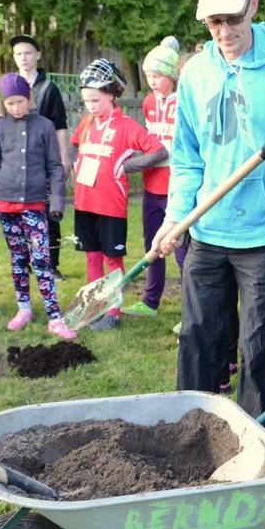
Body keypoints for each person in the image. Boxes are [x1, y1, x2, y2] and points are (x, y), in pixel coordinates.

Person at [153, 0, 265, 414]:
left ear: (252, 6)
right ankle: (189, 426)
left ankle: (254, 443)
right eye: (214, 22)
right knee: (196, 337)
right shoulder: (196, 73)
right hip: (208, 229)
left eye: (232, 19)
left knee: (259, 345)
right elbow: (188, 154)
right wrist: (176, 216)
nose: (224, 31)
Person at [73, 58, 167, 331]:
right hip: (83, 203)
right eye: (87, 101)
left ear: (112, 94)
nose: (90, 106)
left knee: (111, 259)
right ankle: (95, 307)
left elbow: (159, 151)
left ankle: (113, 309)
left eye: (96, 100)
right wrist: (74, 162)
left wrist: (127, 166)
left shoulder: (127, 125)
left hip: (110, 206)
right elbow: (74, 143)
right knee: (91, 257)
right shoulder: (87, 122)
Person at [0, 73, 75, 339]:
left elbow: (56, 167)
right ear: (3, 103)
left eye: (20, 101)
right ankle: (23, 307)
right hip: (6, 205)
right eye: (10, 103)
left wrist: (56, 202)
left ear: (28, 99)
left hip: (35, 205)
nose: (15, 107)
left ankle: (54, 316)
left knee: (42, 259)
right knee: (18, 259)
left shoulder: (44, 126)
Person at [122, 36, 186, 320]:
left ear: (172, 75)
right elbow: (150, 141)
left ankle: (191, 309)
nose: (152, 81)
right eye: (148, 75)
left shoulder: (184, 101)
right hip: (152, 184)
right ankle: (150, 301)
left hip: (177, 185)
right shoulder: (148, 102)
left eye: (158, 75)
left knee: (183, 250)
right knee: (153, 245)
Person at [11, 34, 72, 279]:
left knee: (49, 211)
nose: (23, 58)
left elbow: (60, 124)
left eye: (27, 52)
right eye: (18, 54)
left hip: (45, 159)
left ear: (37, 55)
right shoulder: (11, 86)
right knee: (21, 211)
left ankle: (51, 265)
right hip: (18, 161)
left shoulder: (49, 88)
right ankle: (24, 262)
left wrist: (64, 158)